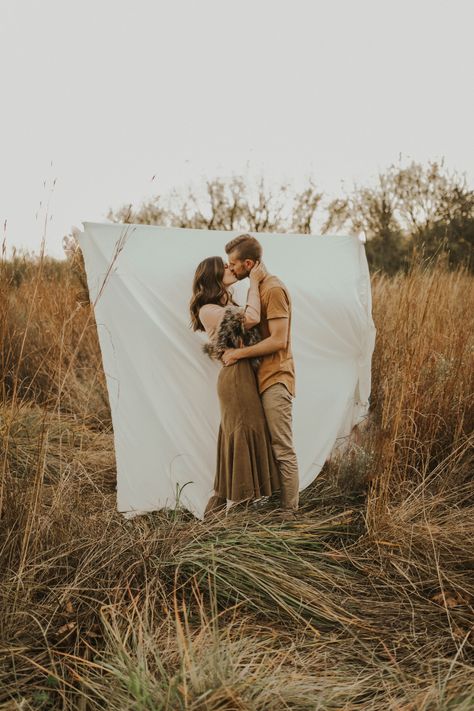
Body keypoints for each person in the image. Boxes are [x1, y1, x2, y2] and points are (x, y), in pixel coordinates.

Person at [189, 256, 281, 519]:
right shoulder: (208, 308)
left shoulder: (225, 304)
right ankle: (235, 522)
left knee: (240, 438)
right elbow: (251, 317)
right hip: (235, 379)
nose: (230, 268)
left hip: (242, 376)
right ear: (213, 277)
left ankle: (216, 521)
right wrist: (253, 281)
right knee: (241, 436)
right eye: (225, 267)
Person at [221, 234, 299, 518]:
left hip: (276, 378)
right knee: (268, 446)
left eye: (233, 264)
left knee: (282, 446)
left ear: (249, 263)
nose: (231, 269)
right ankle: (273, 507)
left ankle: (289, 514)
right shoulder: (257, 288)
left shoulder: (273, 289)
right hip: (260, 379)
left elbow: (279, 340)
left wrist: (238, 355)